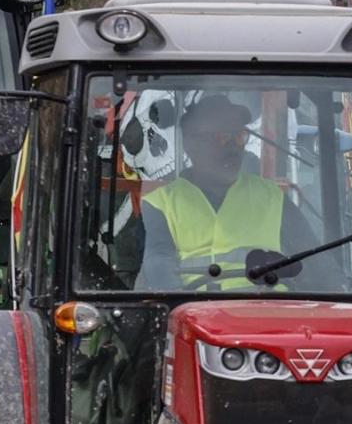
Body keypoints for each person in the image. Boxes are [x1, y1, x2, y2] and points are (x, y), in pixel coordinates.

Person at [137, 95, 339, 291]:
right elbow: (159, 269)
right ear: (191, 144)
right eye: (222, 138)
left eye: (239, 137)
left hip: (270, 317)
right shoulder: (160, 204)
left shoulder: (271, 197)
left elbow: (317, 264)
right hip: (196, 318)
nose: (234, 148)